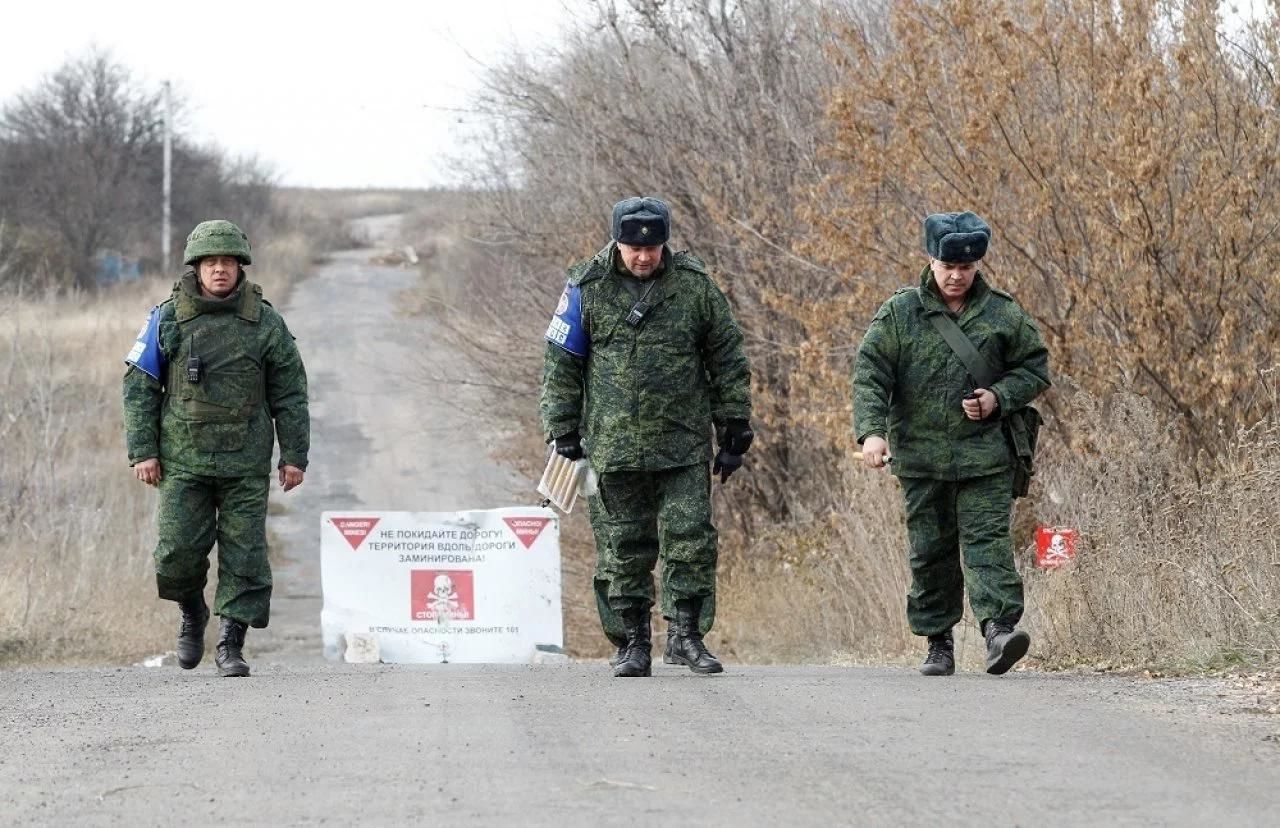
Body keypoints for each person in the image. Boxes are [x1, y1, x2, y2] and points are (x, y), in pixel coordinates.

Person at [540, 196, 752, 677]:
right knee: (621, 545)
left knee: (691, 541)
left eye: (653, 248)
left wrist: (734, 424)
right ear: (617, 242)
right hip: (611, 449)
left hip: (683, 445)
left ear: (664, 244)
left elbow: (727, 357)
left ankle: (686, 636)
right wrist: (563, 431)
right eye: (634, 248)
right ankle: (632, 640)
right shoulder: (585, 288)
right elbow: (560, 366)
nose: (643, 257)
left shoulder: (695, 287)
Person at [853, 211, 1050, 676]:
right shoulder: (900, 314)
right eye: (948, 267)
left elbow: (1035, 369)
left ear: (977, 265)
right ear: (931, 260)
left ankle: (999, 632)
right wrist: (873, 433)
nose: (956, 276)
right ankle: (937, 642)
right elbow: (870, 374)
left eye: (966, 267)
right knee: (930, 551)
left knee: (988, 544)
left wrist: (998, 397)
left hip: (985, 458)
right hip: (921, 458)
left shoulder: (1003, 313)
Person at [122, 220, 310, 677]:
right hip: (182, 461)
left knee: (245, 555)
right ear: (197, 267)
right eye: (211, 263)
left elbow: (290, 391)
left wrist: (293, 456)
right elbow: (139, 385)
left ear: (239, 266)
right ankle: (192, 611)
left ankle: (231, 644)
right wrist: (143, 451)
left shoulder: (265, 321)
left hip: (245, 461)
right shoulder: (167, 316)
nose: (220, 270)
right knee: (175, 553)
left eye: (227, 262)